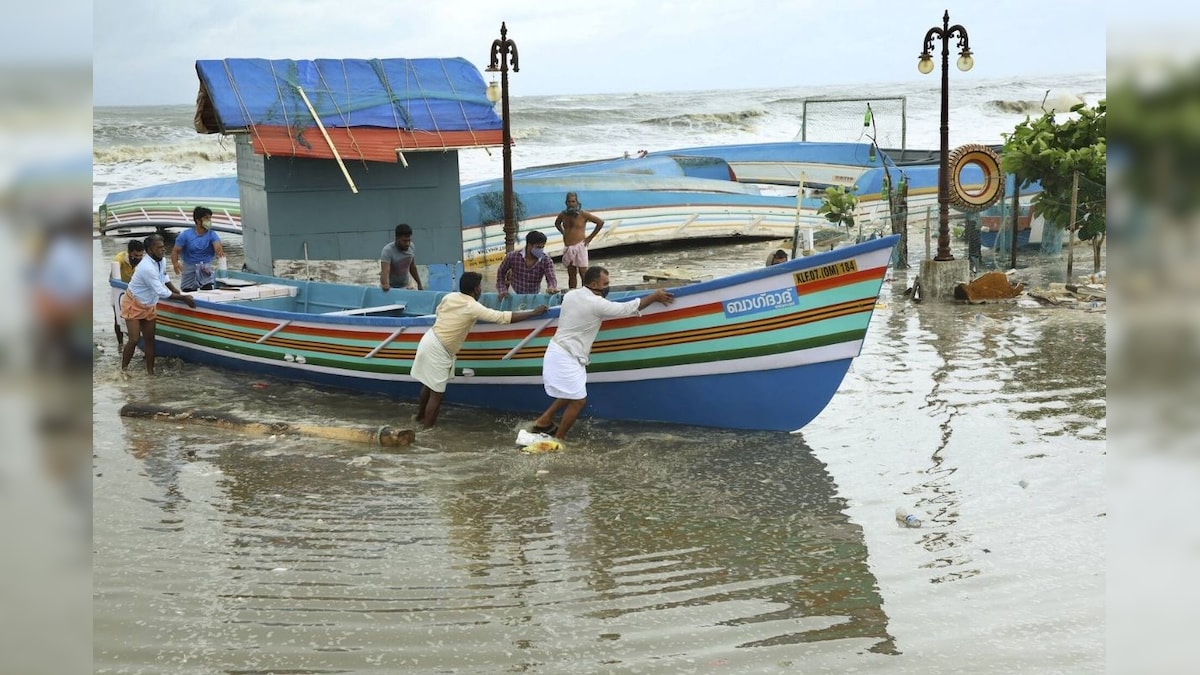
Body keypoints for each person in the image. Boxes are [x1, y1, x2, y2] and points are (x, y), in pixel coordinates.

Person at [531, 266, 673, 441]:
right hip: (565, 355)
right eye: (605, 284)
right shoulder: (596, 304)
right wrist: (653, 297)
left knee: (571, 392)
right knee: (578, 400)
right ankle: (559, 439)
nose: (608, 287)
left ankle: (544, 421)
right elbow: (626, 309)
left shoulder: (571, 295)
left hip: (564, 351)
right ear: (593, 284)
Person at [412, 272, 548, 428]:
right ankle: (427, 431)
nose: (481, 290)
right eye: (480, 287)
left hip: (429, 339)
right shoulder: (472, 307)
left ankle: (419, 418)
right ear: (476, 289)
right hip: (439, 349)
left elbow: (439, 312)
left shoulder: (450, 297)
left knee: (429, 385)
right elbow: (502, 317)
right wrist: (533, 313)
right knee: (437, 395)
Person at [121, 233, 197, 375]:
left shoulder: (161, 260)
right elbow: (161, 291)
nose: (163, 250)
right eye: (159, 247)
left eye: (163, 247)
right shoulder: (146, 267)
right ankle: (123, 371)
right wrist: (184, 299)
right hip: (134, 302)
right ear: (150, 250)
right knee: (134, 339)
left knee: (150, 340)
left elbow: (164, 277)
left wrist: (177, 292)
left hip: (149, 304)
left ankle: (150, 373)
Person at [553, 191, 604, 289]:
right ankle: (572, 293)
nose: (571, 204)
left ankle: (586, 293)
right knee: (571, 274)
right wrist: (563, 232)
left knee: (583, 273)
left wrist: (590, 238)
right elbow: (557, 223)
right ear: (566, 203)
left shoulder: (583, 214)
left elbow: (600, 222)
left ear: (577, 202)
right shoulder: (563, 214)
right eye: (569, 202)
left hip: (580, 246)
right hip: (568, 247)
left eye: (573, 201)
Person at [171, 206, 226, 291]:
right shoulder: (185, 235)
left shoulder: (212, 234)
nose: (209, 221)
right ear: (198, 220)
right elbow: (175, 251)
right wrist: (175, 264)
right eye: (206, 218)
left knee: (208, 290)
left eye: (210, 218)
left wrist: (219, 253)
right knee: (188, 291)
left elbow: (218, 247)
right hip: (189, 267)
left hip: (205, 268)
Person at [496, 230, 559, 299]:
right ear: (529, 245)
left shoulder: (546, 260)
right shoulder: (512, 256)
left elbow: (551, 278)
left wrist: (552, 288)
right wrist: (502, 289)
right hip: (514, 293)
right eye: (538, 247)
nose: (540, 250)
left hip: (535, 295)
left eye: (542, 247)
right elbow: (501, 272)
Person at [112, 239, 146, 347]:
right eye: (136, 255)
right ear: (129, 252)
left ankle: (140, 343)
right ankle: (120, 344)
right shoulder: (119, 260)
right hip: (119, 291)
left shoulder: (143, 262)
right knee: (118, 318)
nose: (138, 258)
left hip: (135, 292)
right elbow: (112, 279)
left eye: (141, 255)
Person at [380, 223, 423, 291]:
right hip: (391, 287)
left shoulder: (411, 247)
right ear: (397, 238)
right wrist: (385, 284)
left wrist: (419, 284)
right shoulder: (388, 251)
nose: (407, 244)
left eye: (409, 240)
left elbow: (412, 267)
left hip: (406, 285)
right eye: (404, 241)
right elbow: (385, 270)